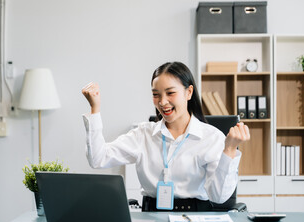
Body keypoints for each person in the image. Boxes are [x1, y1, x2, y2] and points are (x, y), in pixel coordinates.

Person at [82, 62, 250, 211]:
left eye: (170, 93)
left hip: (196, 219)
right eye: (156, 95)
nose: (162, 102)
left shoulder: (211, 137)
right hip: (152, 218)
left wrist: (229, 150)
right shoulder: (143, 134)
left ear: (188, 92)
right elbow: (98, 159)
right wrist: (94, 109)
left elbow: (218, 197)